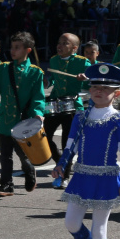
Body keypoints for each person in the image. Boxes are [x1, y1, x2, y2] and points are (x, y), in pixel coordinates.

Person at [52, 63, 120, 239]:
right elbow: (70, 145)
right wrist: (61, 164)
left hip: (107, 178)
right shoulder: (81, 116)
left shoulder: (119, 119)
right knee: (71, 223)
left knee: (100, 228)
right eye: (94, 86)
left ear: (116, 93)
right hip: (82, 175)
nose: (98, 91)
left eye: (105, 88)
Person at [0, 31, 45, 197]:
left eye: (17, 48)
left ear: (27, 50)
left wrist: (38, 113)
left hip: (24, 120)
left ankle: (29, 169)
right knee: (5, 155)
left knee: (23, 153)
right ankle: (6, 185)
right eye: (12, 47)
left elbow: (38, 97)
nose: (12, 51)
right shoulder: (3, 68)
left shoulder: (35, 72)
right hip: (6, 119)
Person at [44, 33, 91, 189]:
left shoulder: (82, 62)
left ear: (74, 48)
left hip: (72, 104)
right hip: (55, 102)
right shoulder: (53, 60)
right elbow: (53, 79)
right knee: (44, 135)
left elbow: (93, 78)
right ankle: (60, 161)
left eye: (65, 43)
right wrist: (47, 81)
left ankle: (65, 174)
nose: (60, 46)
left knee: (67, 142)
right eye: (59, 42)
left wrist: (85, 77)